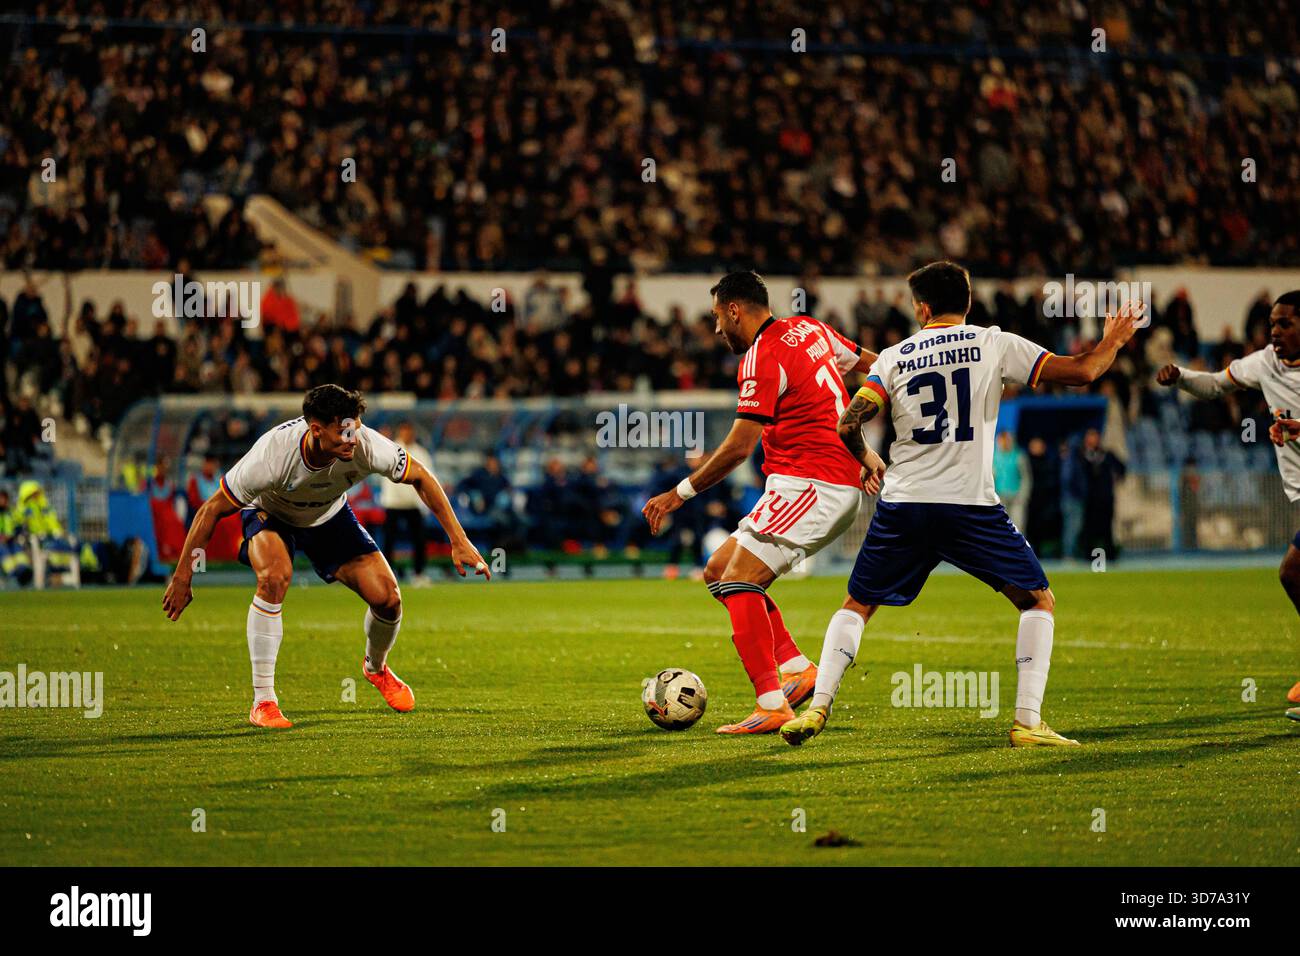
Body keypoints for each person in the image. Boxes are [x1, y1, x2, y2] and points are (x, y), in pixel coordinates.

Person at [781, 260, 1142, 748]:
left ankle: (818, 707)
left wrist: (869, 460)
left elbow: (848, 423)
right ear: (967, 303)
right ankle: (1027, 723)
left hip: (904, 504)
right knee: (1037, 601)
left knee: (858, 604)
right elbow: (1082, 372)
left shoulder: (893, 356)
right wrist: (1114, 340)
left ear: (923, 308)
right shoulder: (993, 342)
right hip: (968, 505)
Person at [162, 384, 490, 729]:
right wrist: (183, 575)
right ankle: (264, 702)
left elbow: (421, 476)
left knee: (389, 599)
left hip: (328, 517)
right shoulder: (272, 454)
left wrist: (459, 540)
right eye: (343, 431)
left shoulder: (366, 444)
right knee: (274, 577)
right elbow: (210, 510)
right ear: (316, 429)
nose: (352, 438)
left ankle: (376, 668)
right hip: (270, 515)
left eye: (356, 427)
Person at [642, 271, 877, 734]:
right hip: (815, 480)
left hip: (812, 484)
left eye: (715, 317)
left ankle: (772, 704)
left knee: (739, 581)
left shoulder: (760, 356)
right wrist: (864, 449)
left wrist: (679, 494)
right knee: (717, 572)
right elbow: (874, 368)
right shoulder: (811, 329)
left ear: (734, 310)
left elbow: (737, 447)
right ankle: (795, 669)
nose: (715, 329)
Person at [1157, 290, 1300, 721]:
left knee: (1293, 571)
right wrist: (1182, 376)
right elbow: (1217, 384)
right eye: (1273, 323)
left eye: (1286, 323)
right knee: (1294, 574)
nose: (1274, 331)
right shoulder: (1265, 363)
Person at [379, 422, 434, 585]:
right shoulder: (390, 447)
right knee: (389, 541)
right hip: (393, 503)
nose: (407, 434)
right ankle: (387, 575)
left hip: (413, 504)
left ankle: (419, 573)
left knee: (419, 540)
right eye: (404, 431)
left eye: (409, 431)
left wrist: (425, 504)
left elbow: (430, 479)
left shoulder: (421, 453)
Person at [1073, 428, 1127, 563]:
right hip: (1088, 498)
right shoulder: (1080, 455)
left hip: (1105, 497)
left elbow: (1121, 467)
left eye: (1095, 436)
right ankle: (1088, 555)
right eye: (1090, 436)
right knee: (1088, 528)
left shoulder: (1106, 454)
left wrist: (1116, 478)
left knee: (1107, 528)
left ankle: (1109, 555)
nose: (1093, 440)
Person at [993, 430, 1030, 530]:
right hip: (1000, 498)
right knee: (1001, 527)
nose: (1004, 442)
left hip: (1016, 498)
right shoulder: (993, 457)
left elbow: (1025, 477)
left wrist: (1023, 496)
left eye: (1007, 439)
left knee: (1018, 527)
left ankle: (1018, 545)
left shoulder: (1019, 455)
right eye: (1002, 440)